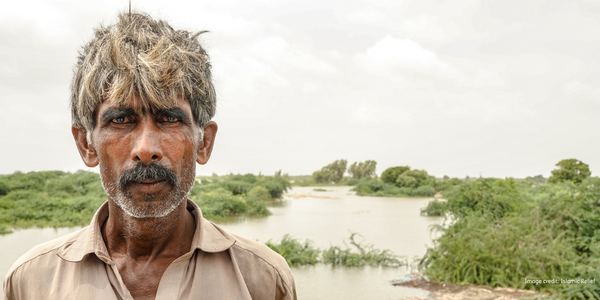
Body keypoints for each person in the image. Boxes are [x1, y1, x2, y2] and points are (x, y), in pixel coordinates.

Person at [3, 11, 296, 300]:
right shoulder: (30, 282)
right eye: (121, 120)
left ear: (203, 143)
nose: (145, 149)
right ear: (87, 145)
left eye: (169, 119)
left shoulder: (262, 280)